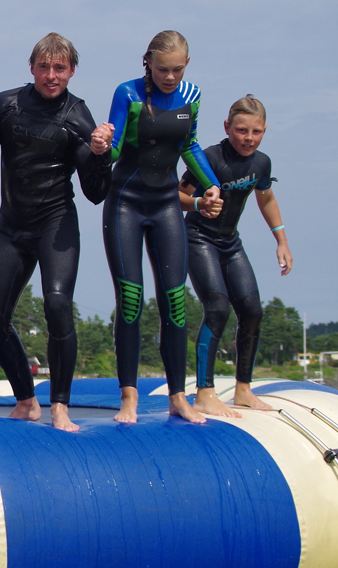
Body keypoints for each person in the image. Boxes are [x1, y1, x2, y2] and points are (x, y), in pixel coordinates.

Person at [0, 33, 112, 432]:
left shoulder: (78, 116)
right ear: (32, 68)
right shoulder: (7, 104)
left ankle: (60, 405)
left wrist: (100, 155)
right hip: (11, 226)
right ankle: (26, 400)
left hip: (55, 224)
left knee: (57, 304)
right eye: (44, 67)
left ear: (71, 71)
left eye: (59, 68)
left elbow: (96, 193)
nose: (51, 75)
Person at [92, 30, 221, 424]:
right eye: (163, 69)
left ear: (187, 65)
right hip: (125, 204)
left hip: (166, 204)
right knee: (131, 299)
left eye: (177, 69)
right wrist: (101, 146)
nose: (170, 77)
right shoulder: (127, 93)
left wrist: (212, 183)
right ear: (147, 61)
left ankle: (178, 396)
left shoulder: (192, 95)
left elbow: (189, 145)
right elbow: (115, 148)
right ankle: (128, 396)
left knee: (175, 301)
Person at [179, 95, 289, 417]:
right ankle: (204, 393)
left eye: (256, 132)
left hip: (230, 241)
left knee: (252, 312)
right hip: (198, 238)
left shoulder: (261, 163)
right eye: (241, 130)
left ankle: (243, 390)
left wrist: (281, 241)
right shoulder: (209, 158)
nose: (248, 138)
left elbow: (266, 198)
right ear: (227, 127)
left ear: (264, 130)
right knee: (217, 309)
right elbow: (177, 193)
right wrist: (199, 204)